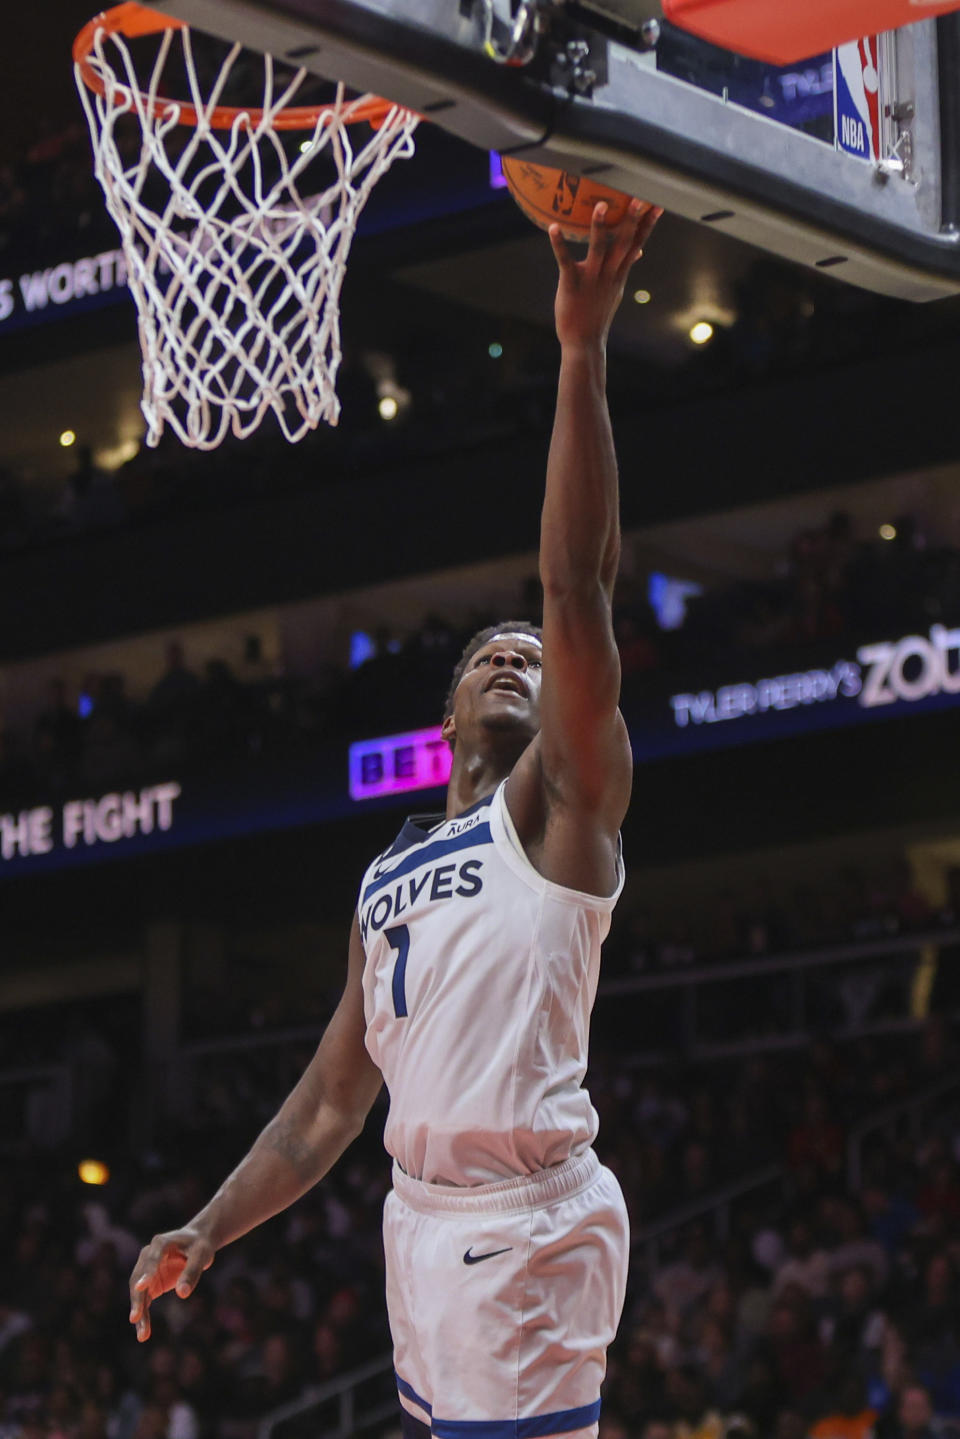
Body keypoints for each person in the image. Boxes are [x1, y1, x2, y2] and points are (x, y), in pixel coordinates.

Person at [128, 197, 663, 1439]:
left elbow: (577, 587)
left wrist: (579, 350)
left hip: (524, 1219)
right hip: (415, 1219)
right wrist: (208, 1225)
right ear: (450, 707)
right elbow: (324, 1107)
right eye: (491, 653)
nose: (519, 658)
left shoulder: (566, 808)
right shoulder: (391, 867)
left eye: (537, 657)